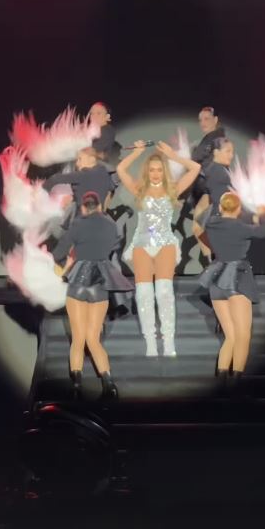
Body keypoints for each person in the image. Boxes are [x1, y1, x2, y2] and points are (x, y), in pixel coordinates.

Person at [117, 141, 201, 357]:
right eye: (152, 170)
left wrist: (173, 156)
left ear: (164, 171)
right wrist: (137, 153)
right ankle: (151, 343)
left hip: (165, 244)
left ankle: (169, 341)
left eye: (159, 170)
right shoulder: (139, 189)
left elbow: (195, 168)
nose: (155, 174)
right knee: (144, 295)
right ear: (147, 172)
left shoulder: (173, 189)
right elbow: (120, 169)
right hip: (142, 245)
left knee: (164, 293)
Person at [52, 191, 134, 400]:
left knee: (78, 339)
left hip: (78, 282)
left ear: (83, 207)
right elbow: (114, 245)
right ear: (98, 206)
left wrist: (65, 260)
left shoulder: (77, 224)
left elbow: (59, 253)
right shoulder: (110, 225)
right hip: (100, 283)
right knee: (94, 339)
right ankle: (109, 383)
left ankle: (77, 386)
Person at [200, 191, 265, 389]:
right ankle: (235, 385)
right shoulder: (241, 228)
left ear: (220, 207)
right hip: (237, 280)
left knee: (230, 337)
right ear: (239, 209)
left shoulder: (211, 224)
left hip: (216, 281)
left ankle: (221, 383)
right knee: (242, 335)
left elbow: (203, 218)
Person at [193, 136, 235, 257]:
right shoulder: (218, 172)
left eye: (232, 152)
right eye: (228, 151)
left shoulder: (218, 170)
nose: (231, 155)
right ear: (216, 152)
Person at [43, 146, 115, 210]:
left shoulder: (84, 175)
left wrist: (42, 191)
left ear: (91, 159)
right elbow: (110, 189)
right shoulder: (104, 174)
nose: (77, 164)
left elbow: (55, 179)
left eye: (80, 159)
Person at [87, 102, 121, 168]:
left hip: (99, 168)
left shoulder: (107, 131)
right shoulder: (91, 131)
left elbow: (92, 151)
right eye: (91, 113)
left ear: (107, 116)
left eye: (98, 113)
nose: (94, 116)